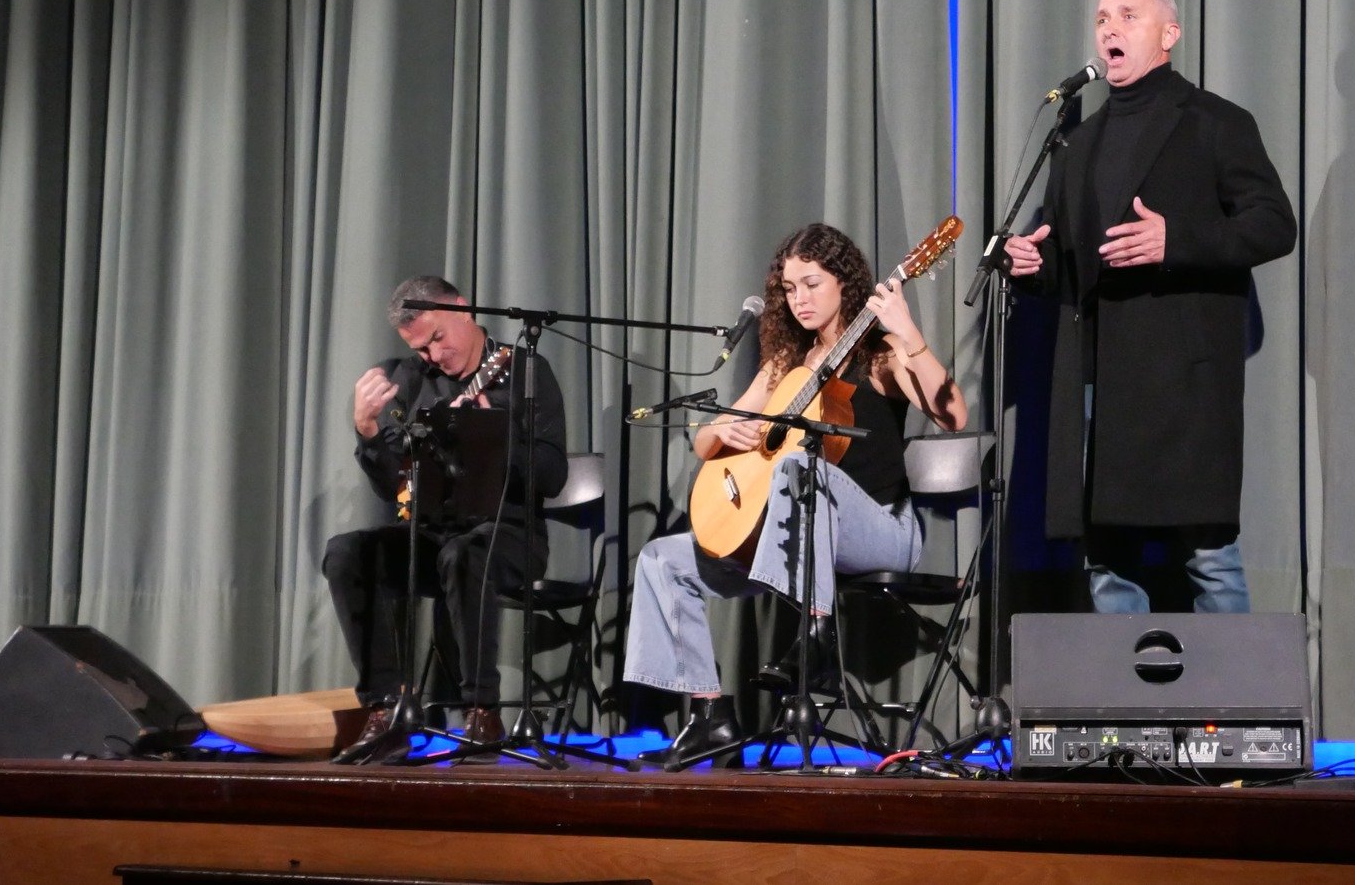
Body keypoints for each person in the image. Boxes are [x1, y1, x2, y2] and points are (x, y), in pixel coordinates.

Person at [623, 224, 968, 767]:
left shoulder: (881, 356)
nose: (798, 298)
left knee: (795, 468)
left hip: (882, 530)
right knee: (662, 560)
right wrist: (724, 432)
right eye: (788, 288)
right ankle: (708, 714)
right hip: (790, 535)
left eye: (811, 283)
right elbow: (705, 441)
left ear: (844, 283)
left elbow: (953, 416)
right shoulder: (786, 364)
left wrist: (908, 334)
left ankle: (817, 638)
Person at [1005, 0, 1295, 614]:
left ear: (1169, 33)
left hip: (1182, 385)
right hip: (1098, 382)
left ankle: (1234, 709)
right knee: (1106, 555)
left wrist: (1178, 240)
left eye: (1127, 16)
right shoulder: (1076, 144)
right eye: (1103, 18)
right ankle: (1127, 712)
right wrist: (1033, 264)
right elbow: (1068, 261)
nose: (1110, 28)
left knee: (1207, 553)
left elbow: (1275, 225)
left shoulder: (1216, 123)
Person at [325, 276, 567, 754]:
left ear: (463, 309)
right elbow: (397, 486)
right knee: (346, 554)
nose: (433, 356)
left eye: (437, 338)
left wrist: (494, 441)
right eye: (421, 349)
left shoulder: (525, 373)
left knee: (465, 553)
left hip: (509, 533)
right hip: (429, 535)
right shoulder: (411, 380)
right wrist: (369, 432)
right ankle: (386, 708)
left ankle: (482, 711)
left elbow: (554, 474)